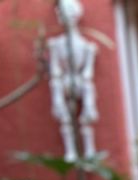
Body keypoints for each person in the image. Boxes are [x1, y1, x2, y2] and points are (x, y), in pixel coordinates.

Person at [47, 0, 98, 161]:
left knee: (87, 87)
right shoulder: (56, 44)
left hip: (79, 80)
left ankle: (89, 148)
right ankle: (70, 151)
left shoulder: (86, 46)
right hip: (65, 80)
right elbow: (55, 69)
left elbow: (88, 72)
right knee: (56, 84)